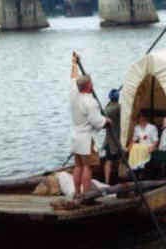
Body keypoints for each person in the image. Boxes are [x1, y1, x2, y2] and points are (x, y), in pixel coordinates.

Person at [70, 53, 110, 197]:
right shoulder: (90, 102)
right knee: (87, 167)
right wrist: (107, 121)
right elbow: (97, 122)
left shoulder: (73, 94)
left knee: (78, 165)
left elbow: (73, 78)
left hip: (75, 137)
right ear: (89, 86)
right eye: (91, 83)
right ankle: (85, 194)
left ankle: (76, 192)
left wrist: (74, 63)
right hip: (87, 139)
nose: (93, 84)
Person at [102, 89, 120, 184]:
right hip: (116, 139)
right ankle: (117, 179)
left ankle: (107, 181)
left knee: (108, 160)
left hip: (109, 139)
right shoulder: (118, 108)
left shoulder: (106, 108)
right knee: (117, 160)